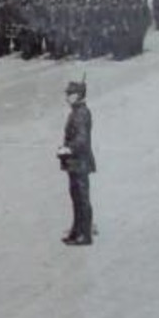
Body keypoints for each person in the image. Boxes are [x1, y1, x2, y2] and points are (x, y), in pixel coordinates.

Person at [56, 79, 95, 246]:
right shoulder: (77, 111)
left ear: (77, 95)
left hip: (79, 161)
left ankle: (84, 234)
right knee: (76, 198)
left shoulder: (80, 114)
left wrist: (67, 149)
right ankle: (76, 230)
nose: (66, 97)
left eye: (69, 94)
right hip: (75, 162)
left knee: (81, 199)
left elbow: (81, 140)